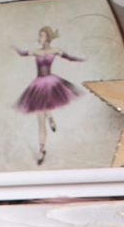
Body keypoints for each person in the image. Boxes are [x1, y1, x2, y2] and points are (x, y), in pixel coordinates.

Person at [13, 26, 85, 165]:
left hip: (50, 82)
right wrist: (13, 46)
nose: (39, 38)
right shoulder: (36, 51)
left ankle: (50, 118)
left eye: (41, 36)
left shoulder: (55, 50)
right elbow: (22, 53)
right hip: (39, 84)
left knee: (46, 104)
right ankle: (42, 148)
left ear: (47, 37)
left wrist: (82, 59)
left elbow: (69, 58)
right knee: (41, 120)